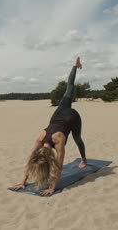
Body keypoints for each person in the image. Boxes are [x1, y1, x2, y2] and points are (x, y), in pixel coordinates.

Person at [10, 57, 87, 195]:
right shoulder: (40, 140)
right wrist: (23, 182)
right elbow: (31, 162)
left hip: (72, 116)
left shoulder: (57, 141)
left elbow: (59, 167)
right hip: (59, 113)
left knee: (77, 138)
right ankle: (75, 66)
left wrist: (53, 187)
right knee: (69, 87)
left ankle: (84, 159)